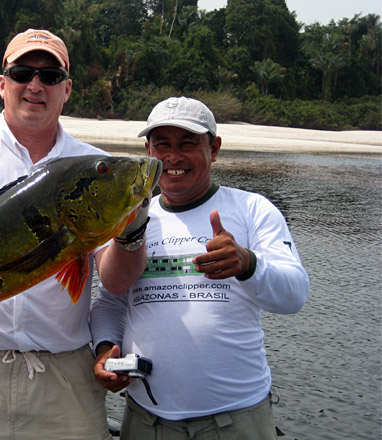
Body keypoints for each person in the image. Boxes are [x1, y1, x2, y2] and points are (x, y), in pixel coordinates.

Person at [0, 29, 148, 440]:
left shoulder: (98, 170)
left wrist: (133, 229)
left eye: (50, 77)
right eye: (22, 73)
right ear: (3, 84)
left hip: (63, 377)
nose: (35, 85)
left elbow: (116, 281)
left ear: (66, 90)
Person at [91, 96, 309, 440]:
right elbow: (110, 301)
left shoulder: (253, 209)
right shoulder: (128, 218)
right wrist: (105, 349)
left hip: (236, 420)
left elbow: (294, 295)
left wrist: (247, 263)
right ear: (148, 150)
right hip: (147, 420)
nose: (173, 157)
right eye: (162, 145)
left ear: (215, 148)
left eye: (188, 144)